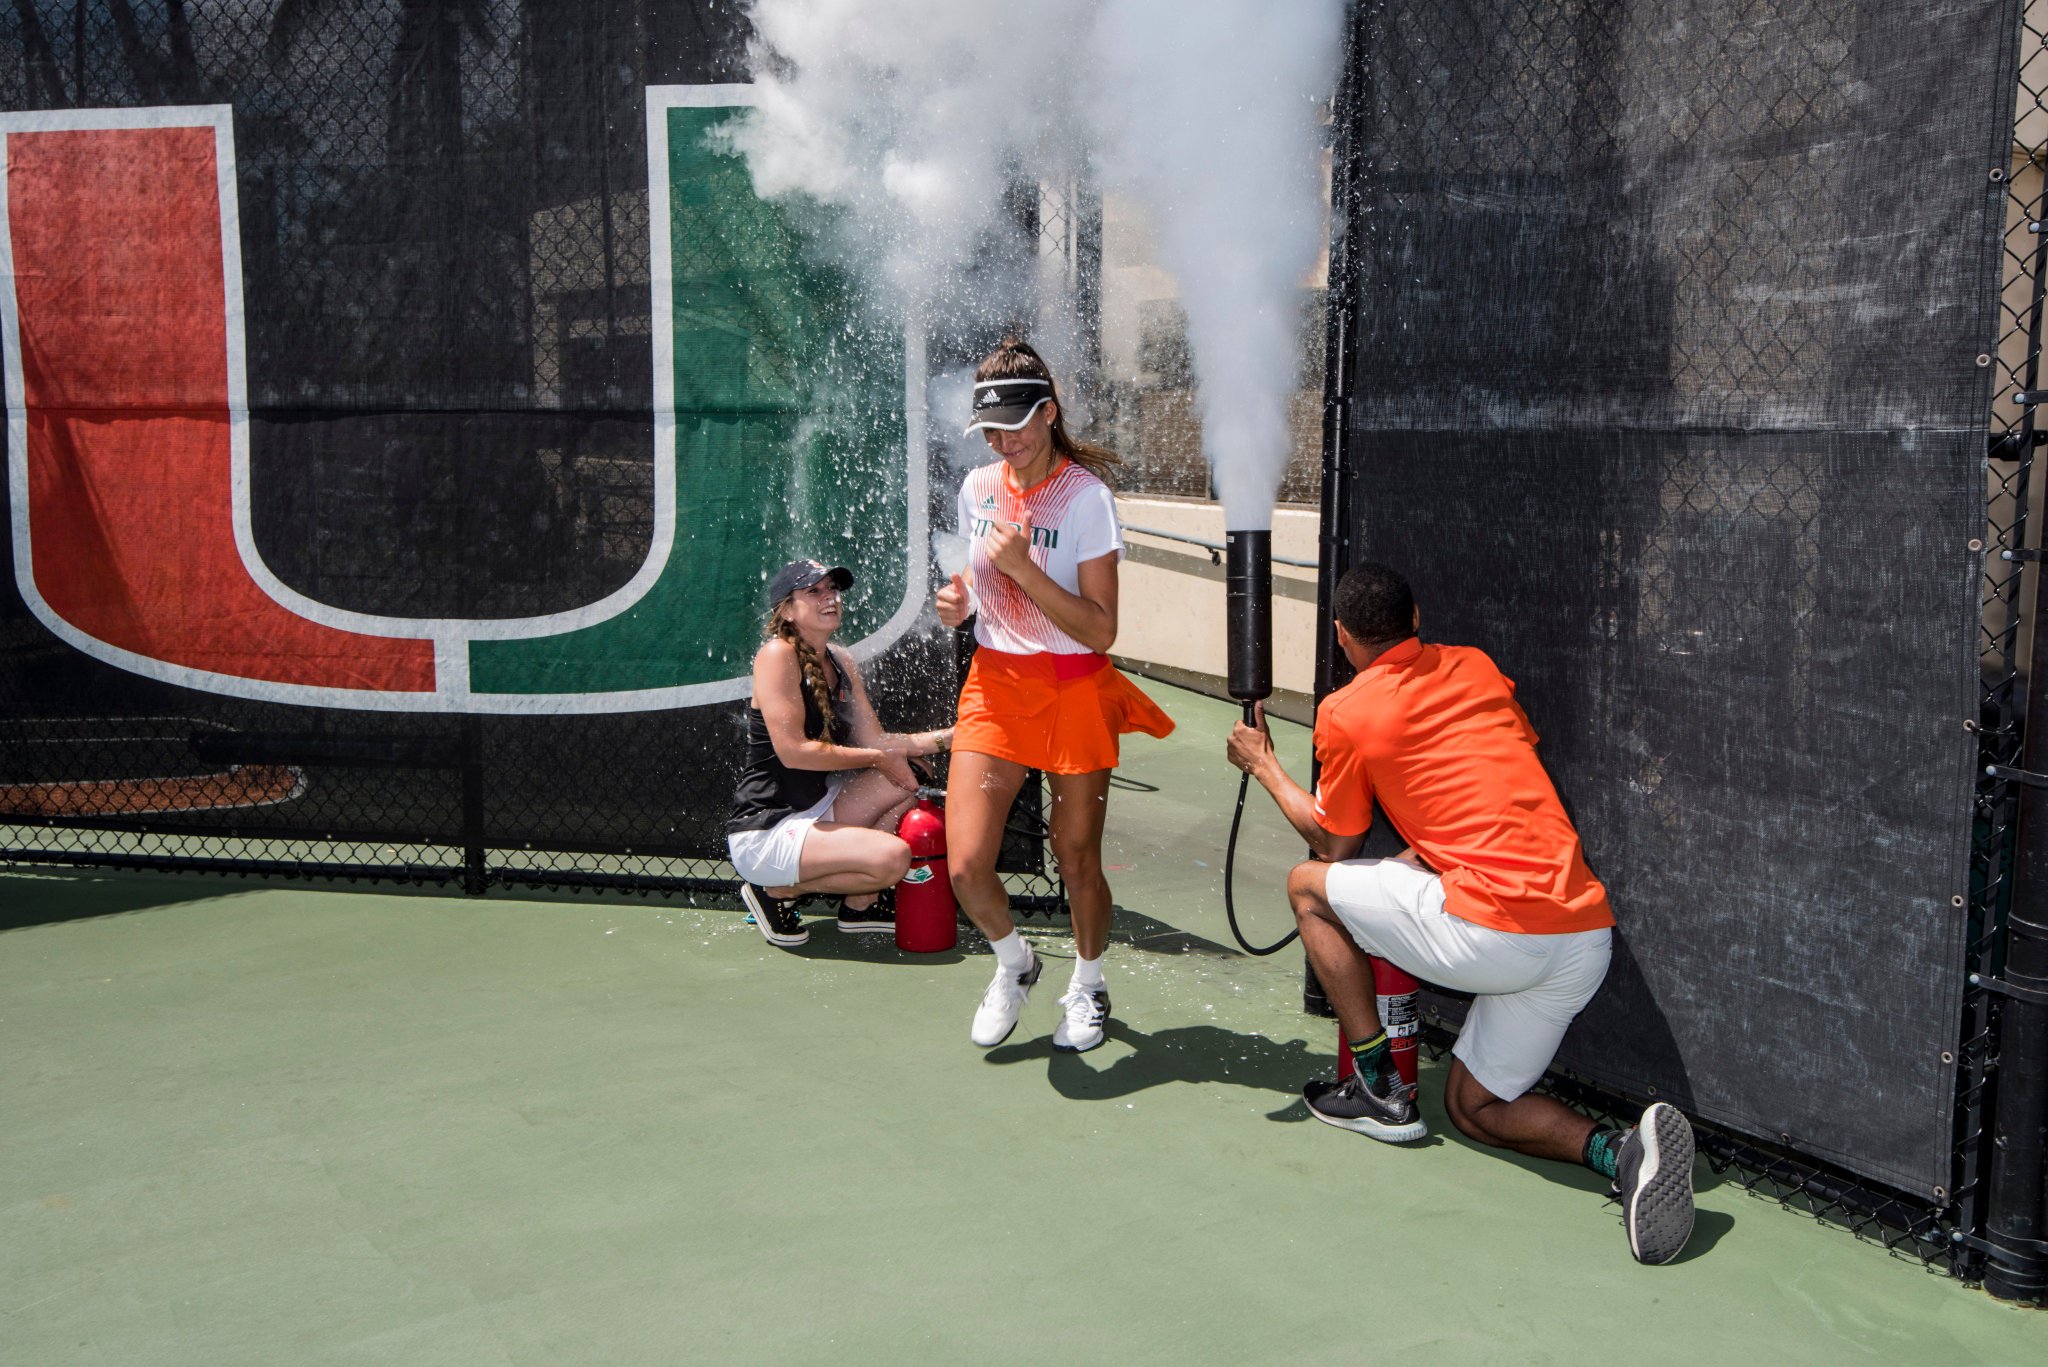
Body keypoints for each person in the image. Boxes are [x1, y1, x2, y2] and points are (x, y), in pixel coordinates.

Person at [1225, 561, 1696, 1265]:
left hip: (1494, 933)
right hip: (1579, 939)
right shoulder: (1476, 666)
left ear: (1342, 636)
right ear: (1416, 621)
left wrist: (1264, 764)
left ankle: (1378, 1088)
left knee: (1306, 884)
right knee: (1474, 1107)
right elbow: (1486, 778)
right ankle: (1626, 1153)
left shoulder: (1345, 710)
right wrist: (1427, 852)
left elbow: (1333, 841)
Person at [934, 339, 1174, 1052]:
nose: (1008, 442)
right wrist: (957, 602)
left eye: (1019, 423)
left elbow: (1102, 630)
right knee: (967, 864)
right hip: (996, 685)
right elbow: (977, 585)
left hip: (1073, 686)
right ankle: (1017, 963)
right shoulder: (978, 487)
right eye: (993, 431)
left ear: (1050, 410)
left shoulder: (1088, 500)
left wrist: (1026, 571)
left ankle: (1089, 983)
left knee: (1077, 862)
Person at [728, 559, 952, 949]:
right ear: (786, 609)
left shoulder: (840, 660)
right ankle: (775, 892)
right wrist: (875, 758)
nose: (829, 598)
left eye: (832, 589)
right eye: (813, 591)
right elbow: (795, 752)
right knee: (893, 859)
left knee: (910, 775)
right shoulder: (777, 655)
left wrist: (956, 736)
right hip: (768, 829)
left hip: (815, 810)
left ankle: (860, 906)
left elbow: (878, 743)